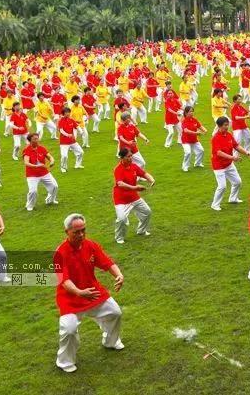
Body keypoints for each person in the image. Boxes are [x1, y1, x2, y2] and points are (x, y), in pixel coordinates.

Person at [54, 213, 125, 373]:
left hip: (92, 291)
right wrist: (79, 292)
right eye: (76, 232)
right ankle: (64, 361)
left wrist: (119, 275)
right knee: (69, 329)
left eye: (83, 231)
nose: (81, 235)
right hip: (70, 298)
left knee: (115, 312)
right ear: (67, 232)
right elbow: (65, 282)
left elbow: (107, 262)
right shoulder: (59, 254)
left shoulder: (91, 245)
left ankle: (111, 341)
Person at [112, 148, 155, 244]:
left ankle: (141, 230)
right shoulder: (118, 169)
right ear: (122, 158)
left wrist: (152, 180)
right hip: (120, 199)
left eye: (131, 156)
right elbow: (120, 184)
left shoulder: (134, 166)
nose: (131, 158)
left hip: (133, 197)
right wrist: (135, 188)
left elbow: (144, 174)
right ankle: (119, 238)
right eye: (128, 156)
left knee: (147, 212)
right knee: (122, 219)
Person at [210, 116, 250, 211]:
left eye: (228, 124)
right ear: (219, 126)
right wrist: (233, 158)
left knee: (237, 182)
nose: (227, 126)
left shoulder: (228, 135)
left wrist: (246, 152)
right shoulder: (215, 138)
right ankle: (215, 204)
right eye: (225, 125)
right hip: (219, 166)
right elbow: (219, 153)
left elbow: (236, 146)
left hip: (228, 164)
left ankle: (233, 198)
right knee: (222, 186)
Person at [23, 133, 59, 211]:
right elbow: (26, 162)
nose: (37, 140)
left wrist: (52, 161)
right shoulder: (27, 149)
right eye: (35, 139)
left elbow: (50, 157)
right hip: (32, 175)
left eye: (37, 138)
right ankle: (29, 205)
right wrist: (36, 166)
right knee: (33, 191)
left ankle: (50, 200)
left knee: (54, 186)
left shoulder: (41, 148)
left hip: (44, 173)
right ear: (30, 140)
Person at [58, 106, 84, 172]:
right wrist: (67, 134)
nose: (68, 113)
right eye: (66, 112)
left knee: (80, 152)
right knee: (64, 156)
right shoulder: (61, 120)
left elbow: (77, 126)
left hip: (72, 141)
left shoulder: (71, 120)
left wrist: (81, 131)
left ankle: (77, 165)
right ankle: (63, 168)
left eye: (69, 112)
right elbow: (61, 130)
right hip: (64, 142)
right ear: (63, 113)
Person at [180, 106, 206, 172]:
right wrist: (196, 133)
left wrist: (204, 130)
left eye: (192, 111)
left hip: (194, 140)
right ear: (186, 113)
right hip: (186, 141)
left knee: (201, 150)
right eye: (190, 111)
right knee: (188, 152)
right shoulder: (184, 121)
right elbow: (186, 131)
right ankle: (185, 166)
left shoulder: (194, 120)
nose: (192, 113)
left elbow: (200, 126)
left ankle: (197, 163)